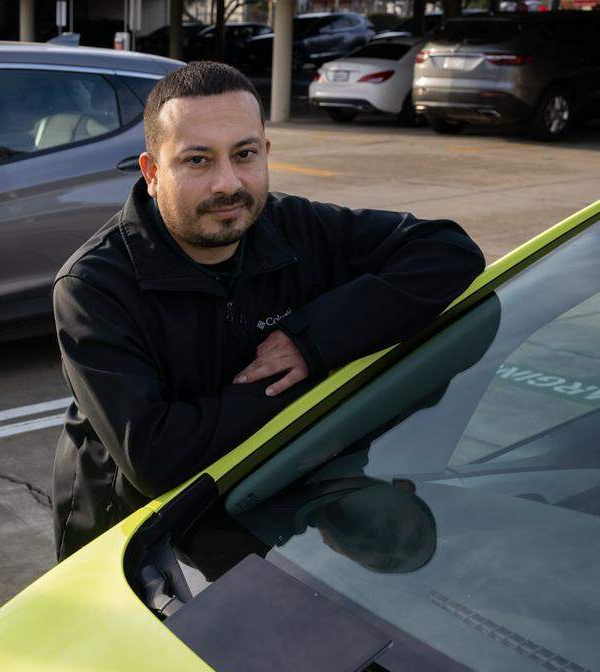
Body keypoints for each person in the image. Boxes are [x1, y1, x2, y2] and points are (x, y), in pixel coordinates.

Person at [50, 62, 484, 560]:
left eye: (245, 154)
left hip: (261, 520)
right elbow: (155, 458)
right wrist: (308, 379)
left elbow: (450, 251)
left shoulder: (292, 226)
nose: (227, 183)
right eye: (197, 161)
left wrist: (313, 341)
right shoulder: (94, 287)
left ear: (266, 153)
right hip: (135, 551)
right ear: (151, 173)